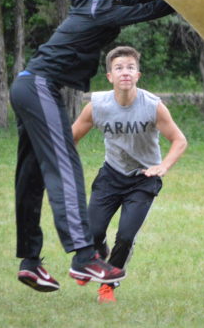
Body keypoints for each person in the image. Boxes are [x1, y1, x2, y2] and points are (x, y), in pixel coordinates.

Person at [12, 0, 173, 292]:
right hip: (41, 88)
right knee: (64, 167)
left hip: (25, 86)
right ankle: (86, 255)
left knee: (31, 177)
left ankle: (30, 262)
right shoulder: (102, 11)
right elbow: (151, 8)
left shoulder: (92, 6)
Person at [71, 46, 187, 303]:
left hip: (143, 179)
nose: (125, 72)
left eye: (130, 68)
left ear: (138, 75)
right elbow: (72, 137)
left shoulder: (153, 106)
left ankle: (108, 286)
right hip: (111, 175)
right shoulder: (97, 105)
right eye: (119, 68)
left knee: (125, 236)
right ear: (110, 76)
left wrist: (163, 166)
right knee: (92, 232)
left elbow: (179, 140)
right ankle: (95, 256)